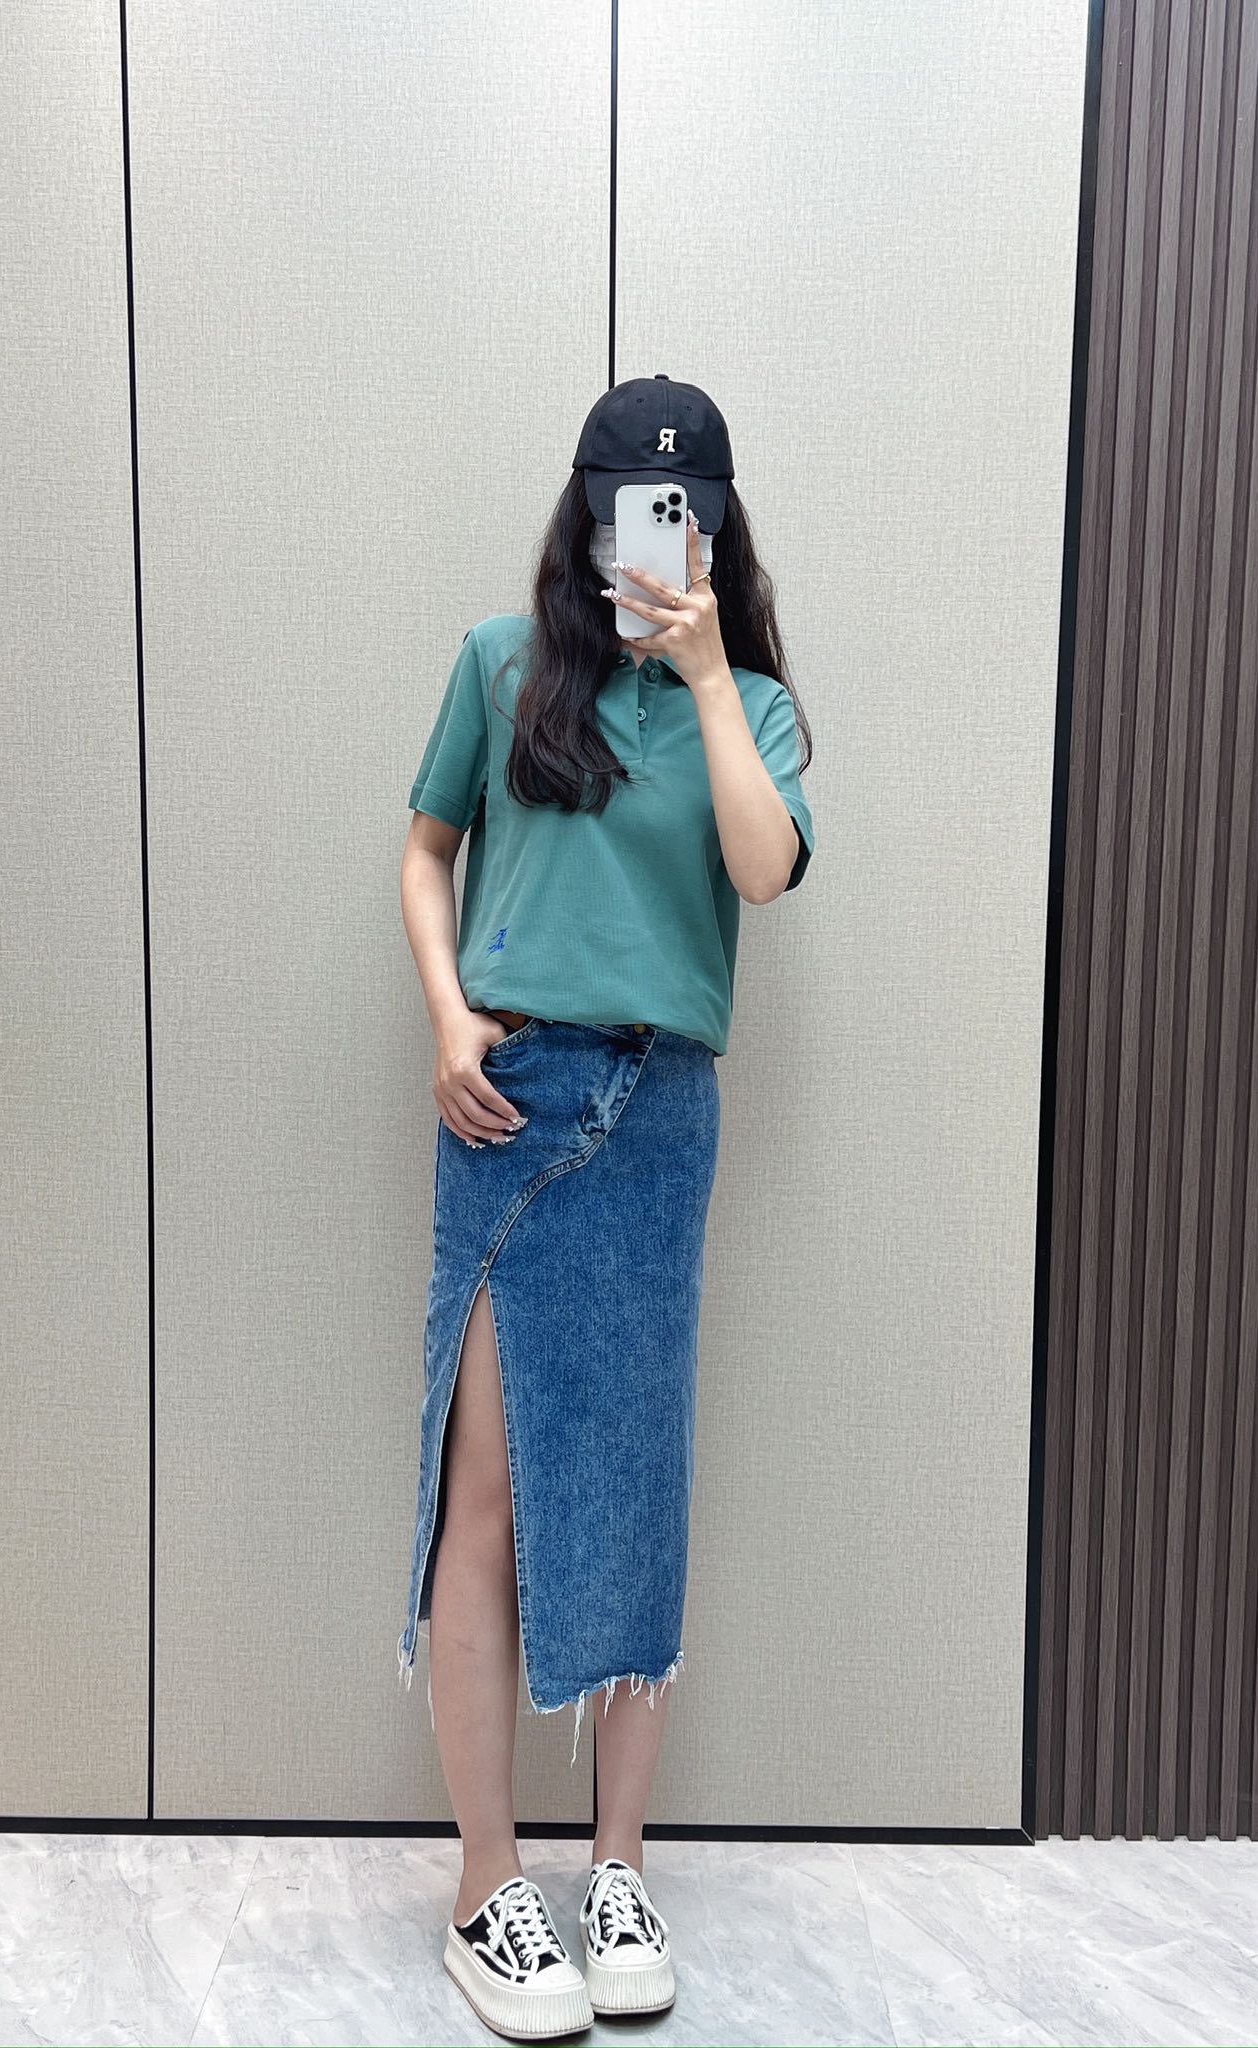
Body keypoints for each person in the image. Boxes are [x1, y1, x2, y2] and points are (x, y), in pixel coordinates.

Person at [397, 374, 814, 2041]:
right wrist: (445, 1018)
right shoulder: (502, 666)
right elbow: (425, 850)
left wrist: (707, 674)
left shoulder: (753, 703)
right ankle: (487, 1888)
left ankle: (618, 1868)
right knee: (489, 1494)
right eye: (628, 503)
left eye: (683, 507)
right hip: (509, 1100)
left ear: (715, 526)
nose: (651, 530)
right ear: (583, 514)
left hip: (659, 1116)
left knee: (637, 1490)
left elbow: (765, 870)